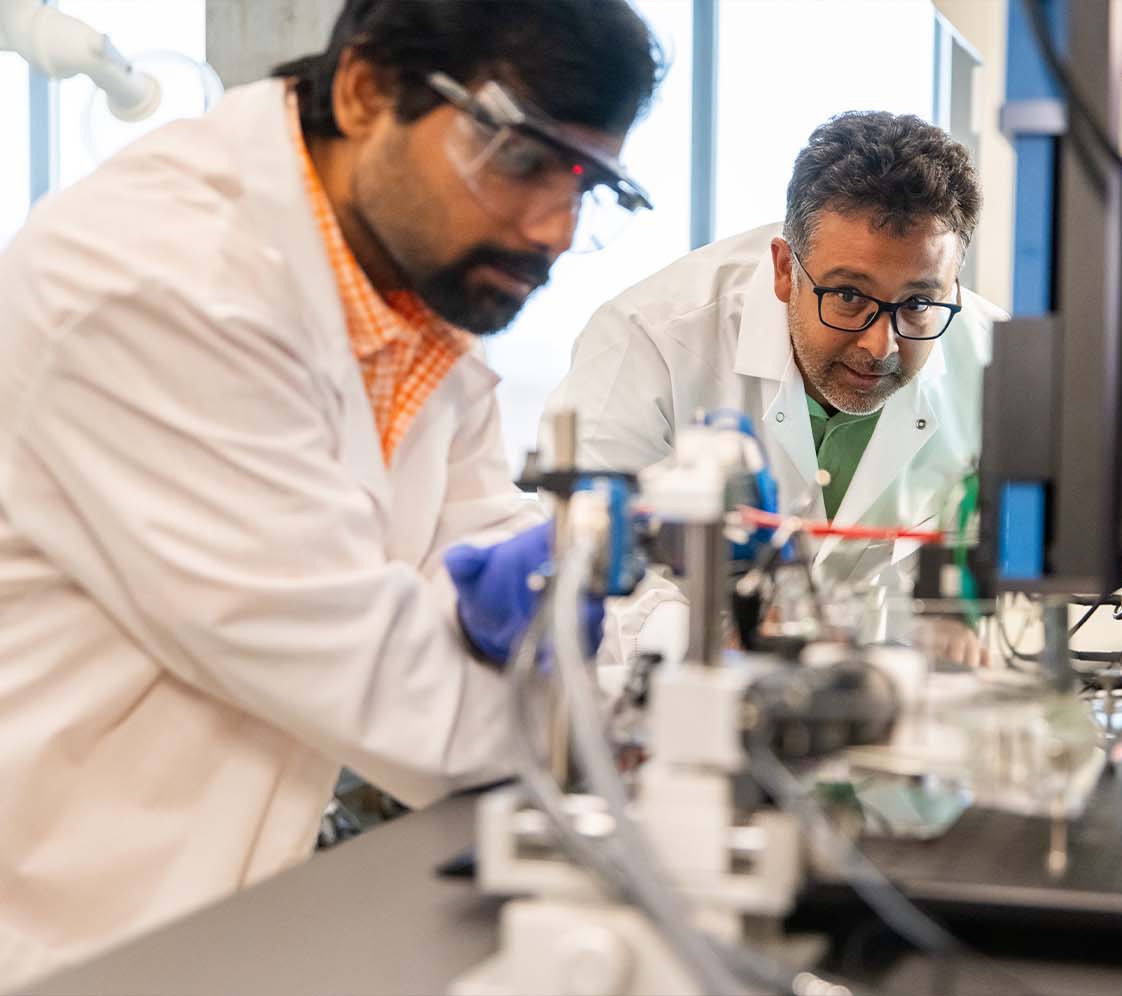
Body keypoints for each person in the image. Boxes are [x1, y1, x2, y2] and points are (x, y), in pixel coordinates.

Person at [0, 0, 660, 984]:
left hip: (218, 907)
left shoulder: (413, 296)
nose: (554, 231)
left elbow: (472, 540)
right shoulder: (152, 283)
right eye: (521, 157)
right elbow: (382, 686)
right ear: (363, 91)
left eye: (587, 185)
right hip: (65, 928)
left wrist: (576, 625)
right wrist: (626, 735)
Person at [548, 111, 1004, 669]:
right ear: (785, 269)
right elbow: (582, 550)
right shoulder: (647, 339)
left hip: (881, 693)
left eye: (917, 303)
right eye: (848, 296)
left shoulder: (997, 362)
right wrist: (706, 639)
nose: (881, 345)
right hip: (680, 688)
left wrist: (957, 615)